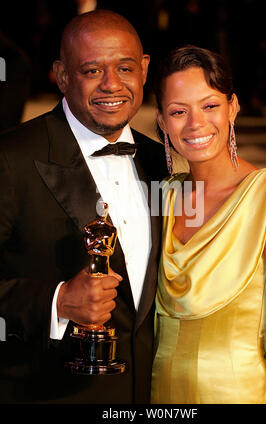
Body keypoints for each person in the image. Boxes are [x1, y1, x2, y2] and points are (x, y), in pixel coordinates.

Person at [0, 10, 167, 403]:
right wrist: (57, 301)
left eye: (125, 68)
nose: (112, 85)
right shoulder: (11, 159)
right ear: (61, 76)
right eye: (92, 71)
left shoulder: (166, 164)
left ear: (144, 69)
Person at [151, 45, 266, 404]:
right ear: (161, 122)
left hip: (236, 392)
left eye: (209, 106)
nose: (195, 123)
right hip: (159, 394)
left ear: (232, 107)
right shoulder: (163, 196)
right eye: (178, 111)